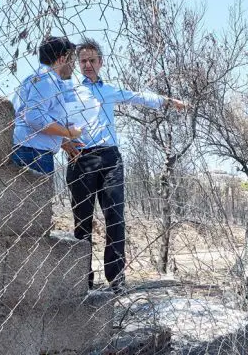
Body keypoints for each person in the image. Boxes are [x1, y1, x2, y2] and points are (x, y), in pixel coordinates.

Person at [64, 37, 185, 293]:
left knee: (115, 218)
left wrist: (166, 101)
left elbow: (137, 97)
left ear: (101, 62)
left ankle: (116, 280)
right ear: (77, 63)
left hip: (110, 159)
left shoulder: (109, 90)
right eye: (83, 61)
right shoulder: (68, 90)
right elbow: (52, 117)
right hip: (81, 159)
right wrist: (64, 142)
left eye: (92, 60)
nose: (87, 65)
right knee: (82, 221)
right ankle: (81, 280)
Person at [11, 36, 82, 174]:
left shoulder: (34, 77)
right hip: (35, 154)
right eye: (72, 60)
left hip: (27, 148)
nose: (74, 66)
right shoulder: (48, 80)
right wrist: (68, 132)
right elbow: (34, 117)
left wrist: (61, 140)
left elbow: (25, 115)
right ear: (63, 58)